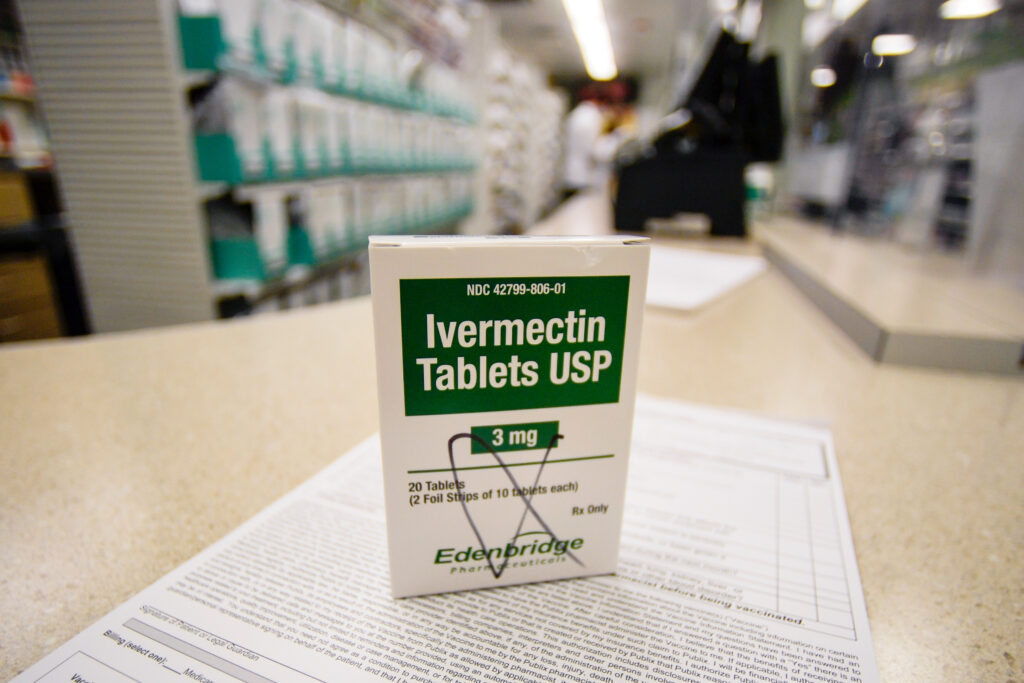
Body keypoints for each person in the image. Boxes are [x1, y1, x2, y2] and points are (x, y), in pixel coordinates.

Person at [561, 92, 604, 201]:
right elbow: (592, 148)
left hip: (569, 170)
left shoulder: (576, 114)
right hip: (583, 174)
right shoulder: (593, 116)